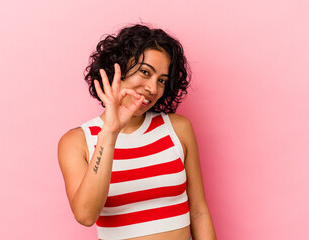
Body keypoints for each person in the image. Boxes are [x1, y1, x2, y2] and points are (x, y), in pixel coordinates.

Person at [58, 24, 216, 240]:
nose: (153, 88)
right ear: (118, 68)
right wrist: (110, 132)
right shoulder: (77, 142)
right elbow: (86, 215)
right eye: (145, 72)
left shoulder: (178, 129)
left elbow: (198, 211)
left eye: (161, 80)